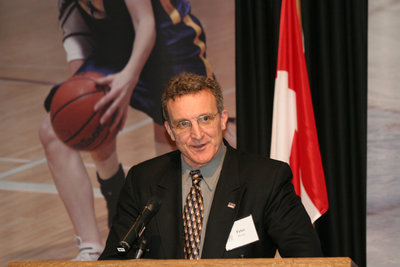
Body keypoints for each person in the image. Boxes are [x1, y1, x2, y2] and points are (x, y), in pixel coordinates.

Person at [39, 0, 217, 261]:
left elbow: (145, 22)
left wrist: (129, 79)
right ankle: (93, 240)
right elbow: (76, 47)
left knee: (179, 133)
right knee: (53, 130)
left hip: (166, 38)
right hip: (114, 47)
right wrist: (85, 102)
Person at [98, 72, 323, 260]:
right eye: (183, 124)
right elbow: (114, 259)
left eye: (205, 119)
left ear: (223, 119)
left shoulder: (266, 179)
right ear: (169, 130)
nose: (197, 134)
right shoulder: (143, 180)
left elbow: (307, 259)